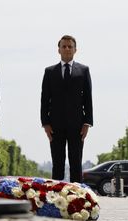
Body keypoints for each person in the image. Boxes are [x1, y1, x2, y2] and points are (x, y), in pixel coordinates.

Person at [40, 35, 93, 183]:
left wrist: (87, 122)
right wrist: (45, 123)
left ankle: (77, 196)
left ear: (75, 49)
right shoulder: (49, 72)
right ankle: (55, 197)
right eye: (64, 46)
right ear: (59, 50)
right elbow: (45, 99)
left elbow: (88, 98)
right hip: (55, 124)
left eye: (70, 46)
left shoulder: (83, 70)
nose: (67, 49)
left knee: (76, 161)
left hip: (77, 124)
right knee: (57, 162)